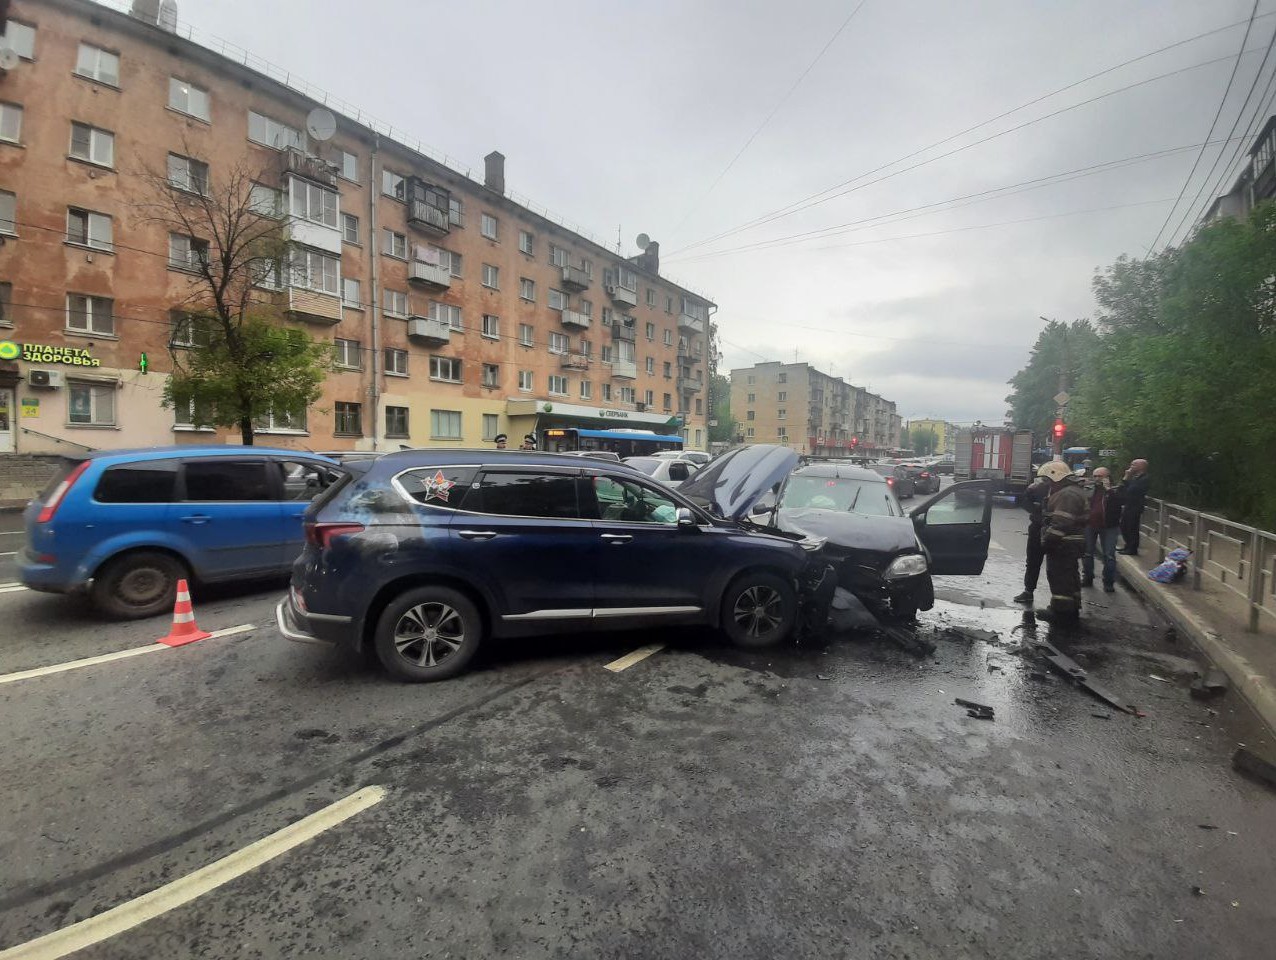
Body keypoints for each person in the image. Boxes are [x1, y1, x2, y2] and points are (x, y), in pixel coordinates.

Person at [1035, 460, 1089, 625]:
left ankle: (1060, 612)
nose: (1046, 483)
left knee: (1060, 578)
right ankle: (1071, 609)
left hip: (1063, 544)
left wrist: (1047, 542)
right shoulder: (1073, 491)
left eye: (1047, 480)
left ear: (1056, 477)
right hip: (1071, 544)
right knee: (1070, 577)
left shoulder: (1067, 495)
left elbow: (1061, 523)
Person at [1082, 467, 1123, 593]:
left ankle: (1108, 582)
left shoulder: (1115, 490)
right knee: (1087, 552)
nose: (1097, 479)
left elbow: (1120, 503)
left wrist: (1109, 490)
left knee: (1109, 555)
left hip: (1109, 526)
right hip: (1090, 524)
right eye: (1095, 476)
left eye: (1100, 476)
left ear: (1107, 477)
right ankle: (1087, 577)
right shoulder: (1090, 488)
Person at [1013, 475, 1049, 604]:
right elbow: (1024, 503)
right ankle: (1028, 591)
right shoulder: (1039, 488)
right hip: (1037, 528)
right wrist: (1029, 491)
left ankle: (1059, 597)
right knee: (1032, 561)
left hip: (1054, 530)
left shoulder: (1063, 491)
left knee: (1055, 565)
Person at [1118, 458, 1150, 555]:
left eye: (1133, 465)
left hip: (1135, 506)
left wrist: (1127, 476)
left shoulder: (1144, 478)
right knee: (1124, 526)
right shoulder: (1135, 477)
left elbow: (1132, 490)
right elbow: (1124, 488)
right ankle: (1127, 545)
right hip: (1129, 505)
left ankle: (1132, 548)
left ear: (1141, 467)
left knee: (1132, 528)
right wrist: (1126, 478)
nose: (1131, 467)